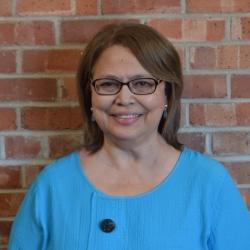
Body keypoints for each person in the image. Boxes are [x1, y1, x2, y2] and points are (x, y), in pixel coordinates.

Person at [8, 23, 250, 250]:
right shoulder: (53, 186)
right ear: (90, 94)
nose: (124, 99)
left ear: (167, 94)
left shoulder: (209, 183)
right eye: (108, 84)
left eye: (143, 83)